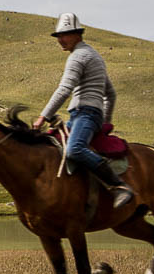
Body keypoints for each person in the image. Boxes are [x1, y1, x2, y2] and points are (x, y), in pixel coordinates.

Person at [31, 13, 134, 208]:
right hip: (83, 115)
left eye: (65, 35)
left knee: (75, 149)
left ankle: (119, 186)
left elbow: (64, 89)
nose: (60, 40)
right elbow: (110, 94)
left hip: (85, 114)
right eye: (58, 36)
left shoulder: (78, 56)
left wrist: (42, 118)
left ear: (78, 34)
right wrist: (105, 122)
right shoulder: (94, 56)